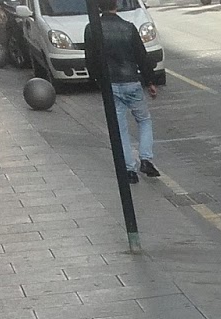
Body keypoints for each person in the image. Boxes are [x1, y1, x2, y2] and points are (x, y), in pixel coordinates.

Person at [84, 0, 157, 184]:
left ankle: (129, 170)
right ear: (116, 6)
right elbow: (141, 56)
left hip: (110, 84)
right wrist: (149, 81)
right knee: (144, 120)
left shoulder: (92, 29)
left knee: (120, 129)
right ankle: (146, 159)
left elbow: (90, 59)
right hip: (131, 81)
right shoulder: (128, 27)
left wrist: (97, 81)